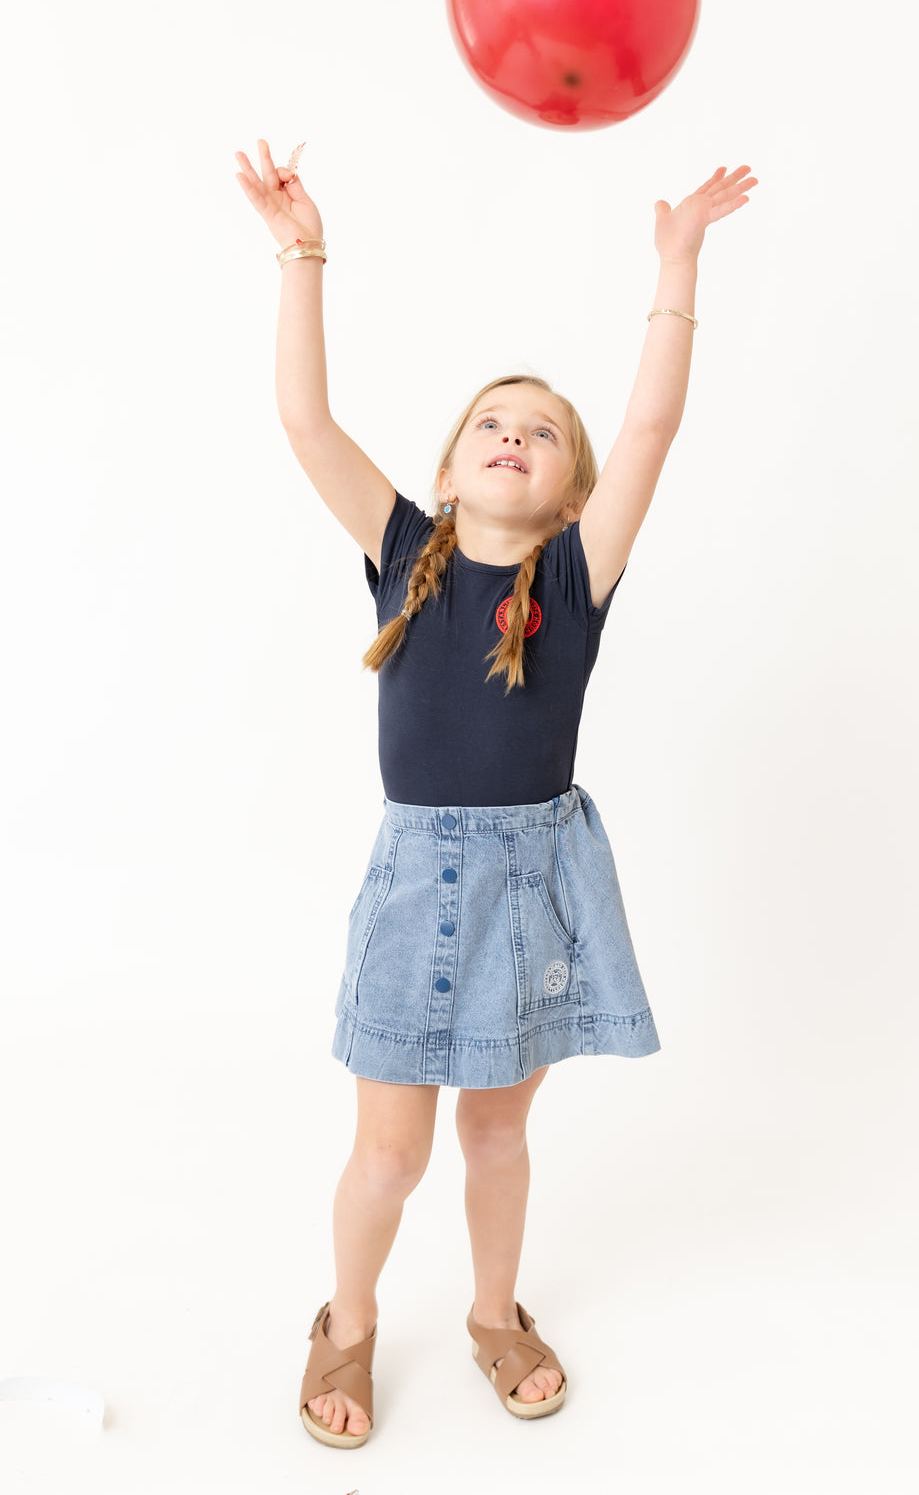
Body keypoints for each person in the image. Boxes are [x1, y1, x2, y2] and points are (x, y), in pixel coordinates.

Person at [234, 138, 757, 1447]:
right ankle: (346, 1326)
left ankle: (491, 1311)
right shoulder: (406, 549)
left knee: (498, 1139)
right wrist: (303, 256)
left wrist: (676, 262)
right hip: (422, 891)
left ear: (571, 489)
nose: (513, 435)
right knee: (392, 1154)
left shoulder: (574, 581)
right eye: (490, 423)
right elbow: (305, 423)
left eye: (541, 432)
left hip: (534, 888)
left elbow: (651, 424)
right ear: (453, 469)